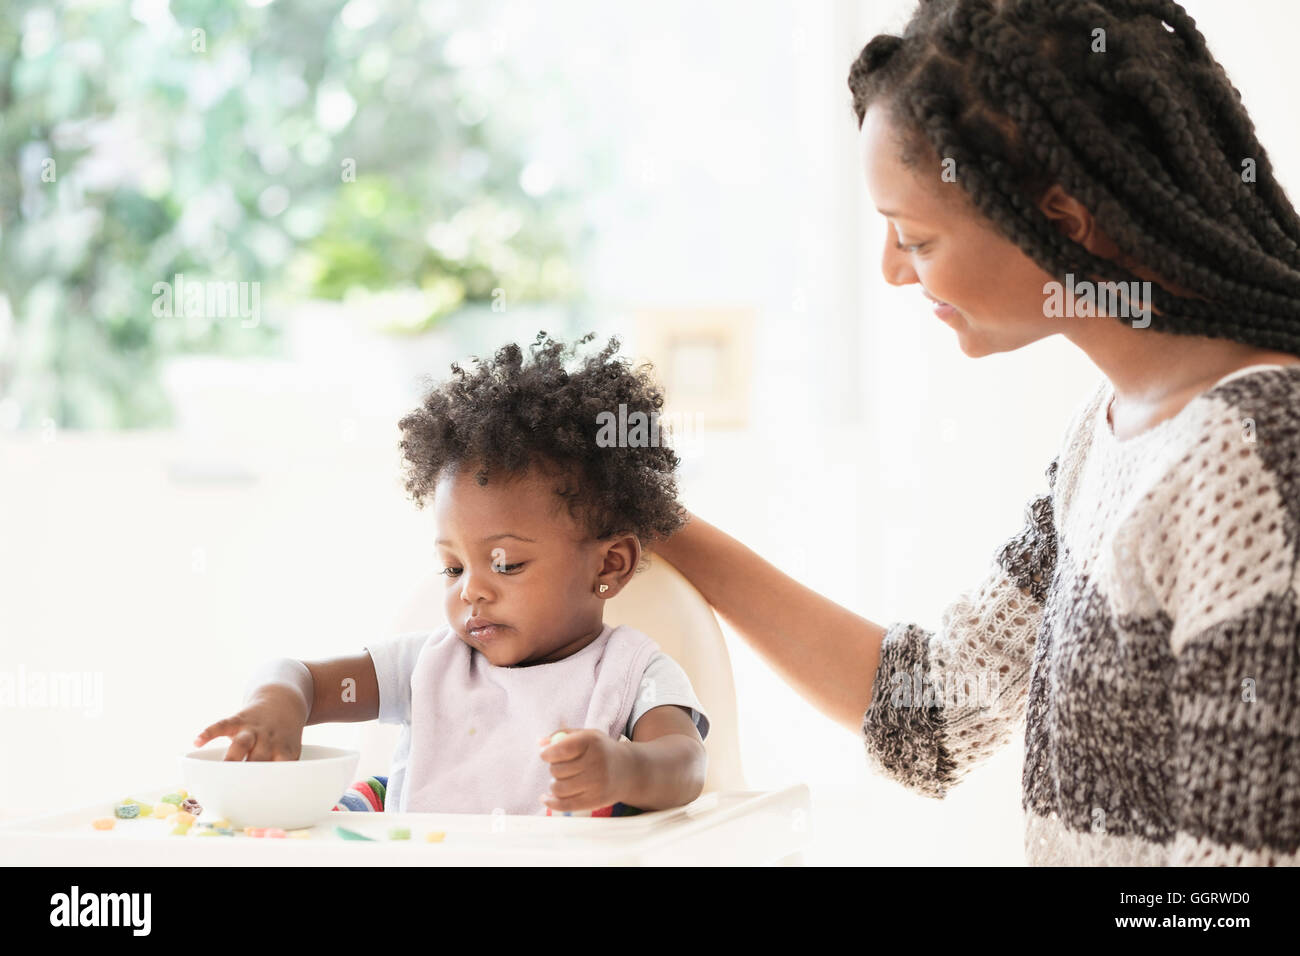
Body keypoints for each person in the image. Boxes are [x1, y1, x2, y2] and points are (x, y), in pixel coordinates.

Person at [654, 0, 1300, 865]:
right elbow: (934, 713)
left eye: (914, 237)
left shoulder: (1256, 455)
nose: (890, 270)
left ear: (1062, 225)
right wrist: (653, 523)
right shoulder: (1104, 434)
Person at [194, 333, 710, 817]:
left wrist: (624, 771)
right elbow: (300, 676)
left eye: (506, 564)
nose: (473, 590)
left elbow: (685, 764)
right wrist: (276, 705)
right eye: (453, 567)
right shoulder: (425, 664)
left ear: (608, 564)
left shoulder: (633, 671)